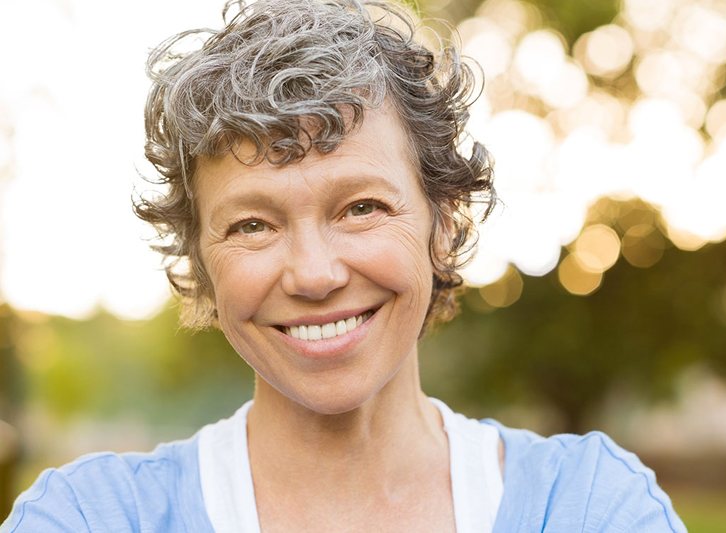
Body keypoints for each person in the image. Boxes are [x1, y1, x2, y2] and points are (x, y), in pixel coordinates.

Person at [1, 0, 687, 531]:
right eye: (252, 224)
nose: (314, 273)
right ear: (201, 263)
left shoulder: (590, 506)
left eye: (360, 207)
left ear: (442, 221)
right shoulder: (93, 516)